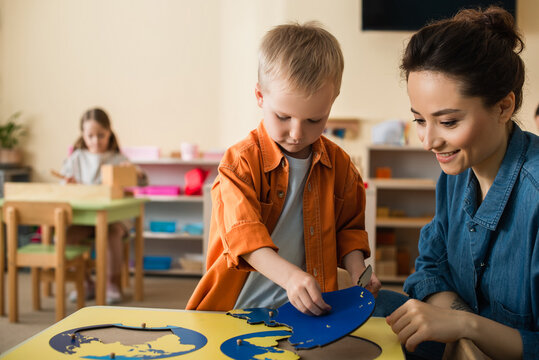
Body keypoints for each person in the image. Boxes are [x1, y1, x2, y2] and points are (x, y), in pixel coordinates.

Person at [373, 6, 538, 360]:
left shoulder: (535, 196)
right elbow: (431, 267)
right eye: (419, 120)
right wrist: (457, 327)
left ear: (504, 107)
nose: (428, 141)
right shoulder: (458, 171)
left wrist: (465, 328)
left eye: (447, 122)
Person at [187, 22, 381, 315]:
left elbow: (349, 230)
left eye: (314, 120)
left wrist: (358, 271)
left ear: (331, 103)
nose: (297, 133)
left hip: (308, 311)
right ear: (260, 96)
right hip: (236, 310)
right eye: (283, 116)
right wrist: (290, 276)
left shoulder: (341, 166)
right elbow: (243, 237)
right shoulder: (240, 162)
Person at [60, 107, 147, 304]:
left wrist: (135, 172)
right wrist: (68, 184)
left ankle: (112, 283)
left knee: (111, 232)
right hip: (85, 217)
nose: (95, 141)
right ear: (83, 134)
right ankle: (85, 283)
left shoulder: (118, 158)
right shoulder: (76, 158)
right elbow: (62, 185)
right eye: (90, 136)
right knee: (66, 237)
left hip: (114, 218)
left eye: (101, 135)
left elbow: (142, 181)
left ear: (109, 133)